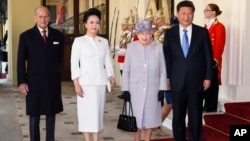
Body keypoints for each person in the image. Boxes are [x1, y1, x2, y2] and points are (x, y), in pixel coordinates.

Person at [163, 1, 213, 141]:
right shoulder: (170, 33)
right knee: (178, 116)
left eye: (189, 13)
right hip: (176, 81)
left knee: (195, 116)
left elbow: (208, 56)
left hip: (197, 81)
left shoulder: (202, 33)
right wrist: (166, 78)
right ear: (177, 14)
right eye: (183, 13)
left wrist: (208, 77)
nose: (186, 16)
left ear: (193, 14)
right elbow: (166, 58)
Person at [17, 6, 64, 141]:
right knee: (34, 114)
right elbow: (20, 61)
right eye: (40, 16)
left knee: (51, 114)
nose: (43, 19)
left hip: (52, 81)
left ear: (50, 18)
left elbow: (59, 58)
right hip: (33, 82)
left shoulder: (58, 36)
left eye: (46, 16)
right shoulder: (26, 36)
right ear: (35, 18)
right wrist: (22, 81)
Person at [70, 8, 115, 141]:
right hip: (85, 84)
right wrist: (76, 84)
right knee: (86, 115)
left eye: (97, 22)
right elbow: (74, 64)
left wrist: (111, 75)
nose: (94, 25)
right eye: (91, 22)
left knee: (97, 114)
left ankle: (96, 139)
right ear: (85, 24)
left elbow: (107, 61)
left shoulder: (104, 41)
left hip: (100, 83)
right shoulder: (79, 41)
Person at [122, 19, 167, 141]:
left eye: (147, 33)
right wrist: (125, 90)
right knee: (135, 119)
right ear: (137, 35)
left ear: (151, 34)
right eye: (141, 33)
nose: (145, 36)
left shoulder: (158, 47)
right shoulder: (131, 47)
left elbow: (163, 70)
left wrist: (162, 89)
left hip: (153, 89)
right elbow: (126, 71)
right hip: (134, 90)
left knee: (150, 119)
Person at [203, 3, 226, 113]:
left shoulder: (219, 26)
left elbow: (219, 44)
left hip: (212, 60)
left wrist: (215, 59)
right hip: (204, 59)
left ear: (214, 12)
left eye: (208, 10)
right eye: (205, 10)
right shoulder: (205, 26)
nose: (205, 12)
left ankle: (211, 105)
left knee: (212, 83)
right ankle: (206, 103)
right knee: (205, 82)